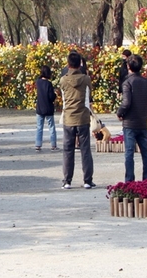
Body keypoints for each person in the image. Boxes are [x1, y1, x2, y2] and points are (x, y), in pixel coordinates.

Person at [115, 55, 147, 182]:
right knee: (145, 152)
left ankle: (130, 180)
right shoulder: (146, 82)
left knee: (129, 153)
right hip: (142, 121)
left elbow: (126, 103)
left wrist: (120, 113)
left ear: (128, 66)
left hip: (130, 123)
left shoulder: (127, 83)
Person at [59, 51, 95, 189]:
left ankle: (67, 181)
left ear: (68, 64)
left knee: (68, 150)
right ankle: (87, 180)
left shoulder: (63, 80)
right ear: (80, 64)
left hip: (68, 118)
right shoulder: (86, 79)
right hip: (83, 118)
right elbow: (88, 97)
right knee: (85, 150)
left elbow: (63, 99)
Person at [34, 66, 57, 151]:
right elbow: (51, 97)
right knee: (51, 127)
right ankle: (53, 145)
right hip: (48, 108)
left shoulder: (38, 82)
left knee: (39, 127)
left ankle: (38, 144)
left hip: (40, 107)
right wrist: (55, 95)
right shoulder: (48, 84)